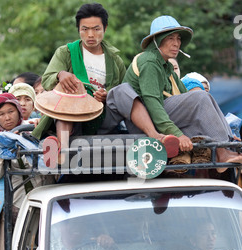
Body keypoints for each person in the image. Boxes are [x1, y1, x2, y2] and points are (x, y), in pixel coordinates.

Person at [102, 15, 242, 170]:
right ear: (157, 40)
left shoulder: (166, 67)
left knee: (204, 97)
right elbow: (153, 103)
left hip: (160, 117)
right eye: (170, 38)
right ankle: (222, 154)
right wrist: (177, 134)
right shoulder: (149, 61)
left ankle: (226, 147)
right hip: (145, 123)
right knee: (200, 97)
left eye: (178, 39)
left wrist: (228, 135)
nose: (176, 43)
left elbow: (186, 98)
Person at [41, 3, 127, 160]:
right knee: (68, 92)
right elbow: (46, 80)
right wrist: (60, 74)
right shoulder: (66, 52)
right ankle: (62, 152)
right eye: (85, 29)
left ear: (105, 28)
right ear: (78, 30)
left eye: (96, 29)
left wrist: (107, 96)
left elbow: (122, 92)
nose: (90, 35)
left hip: (102, 115)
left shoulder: (116, 61)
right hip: (73, 115)